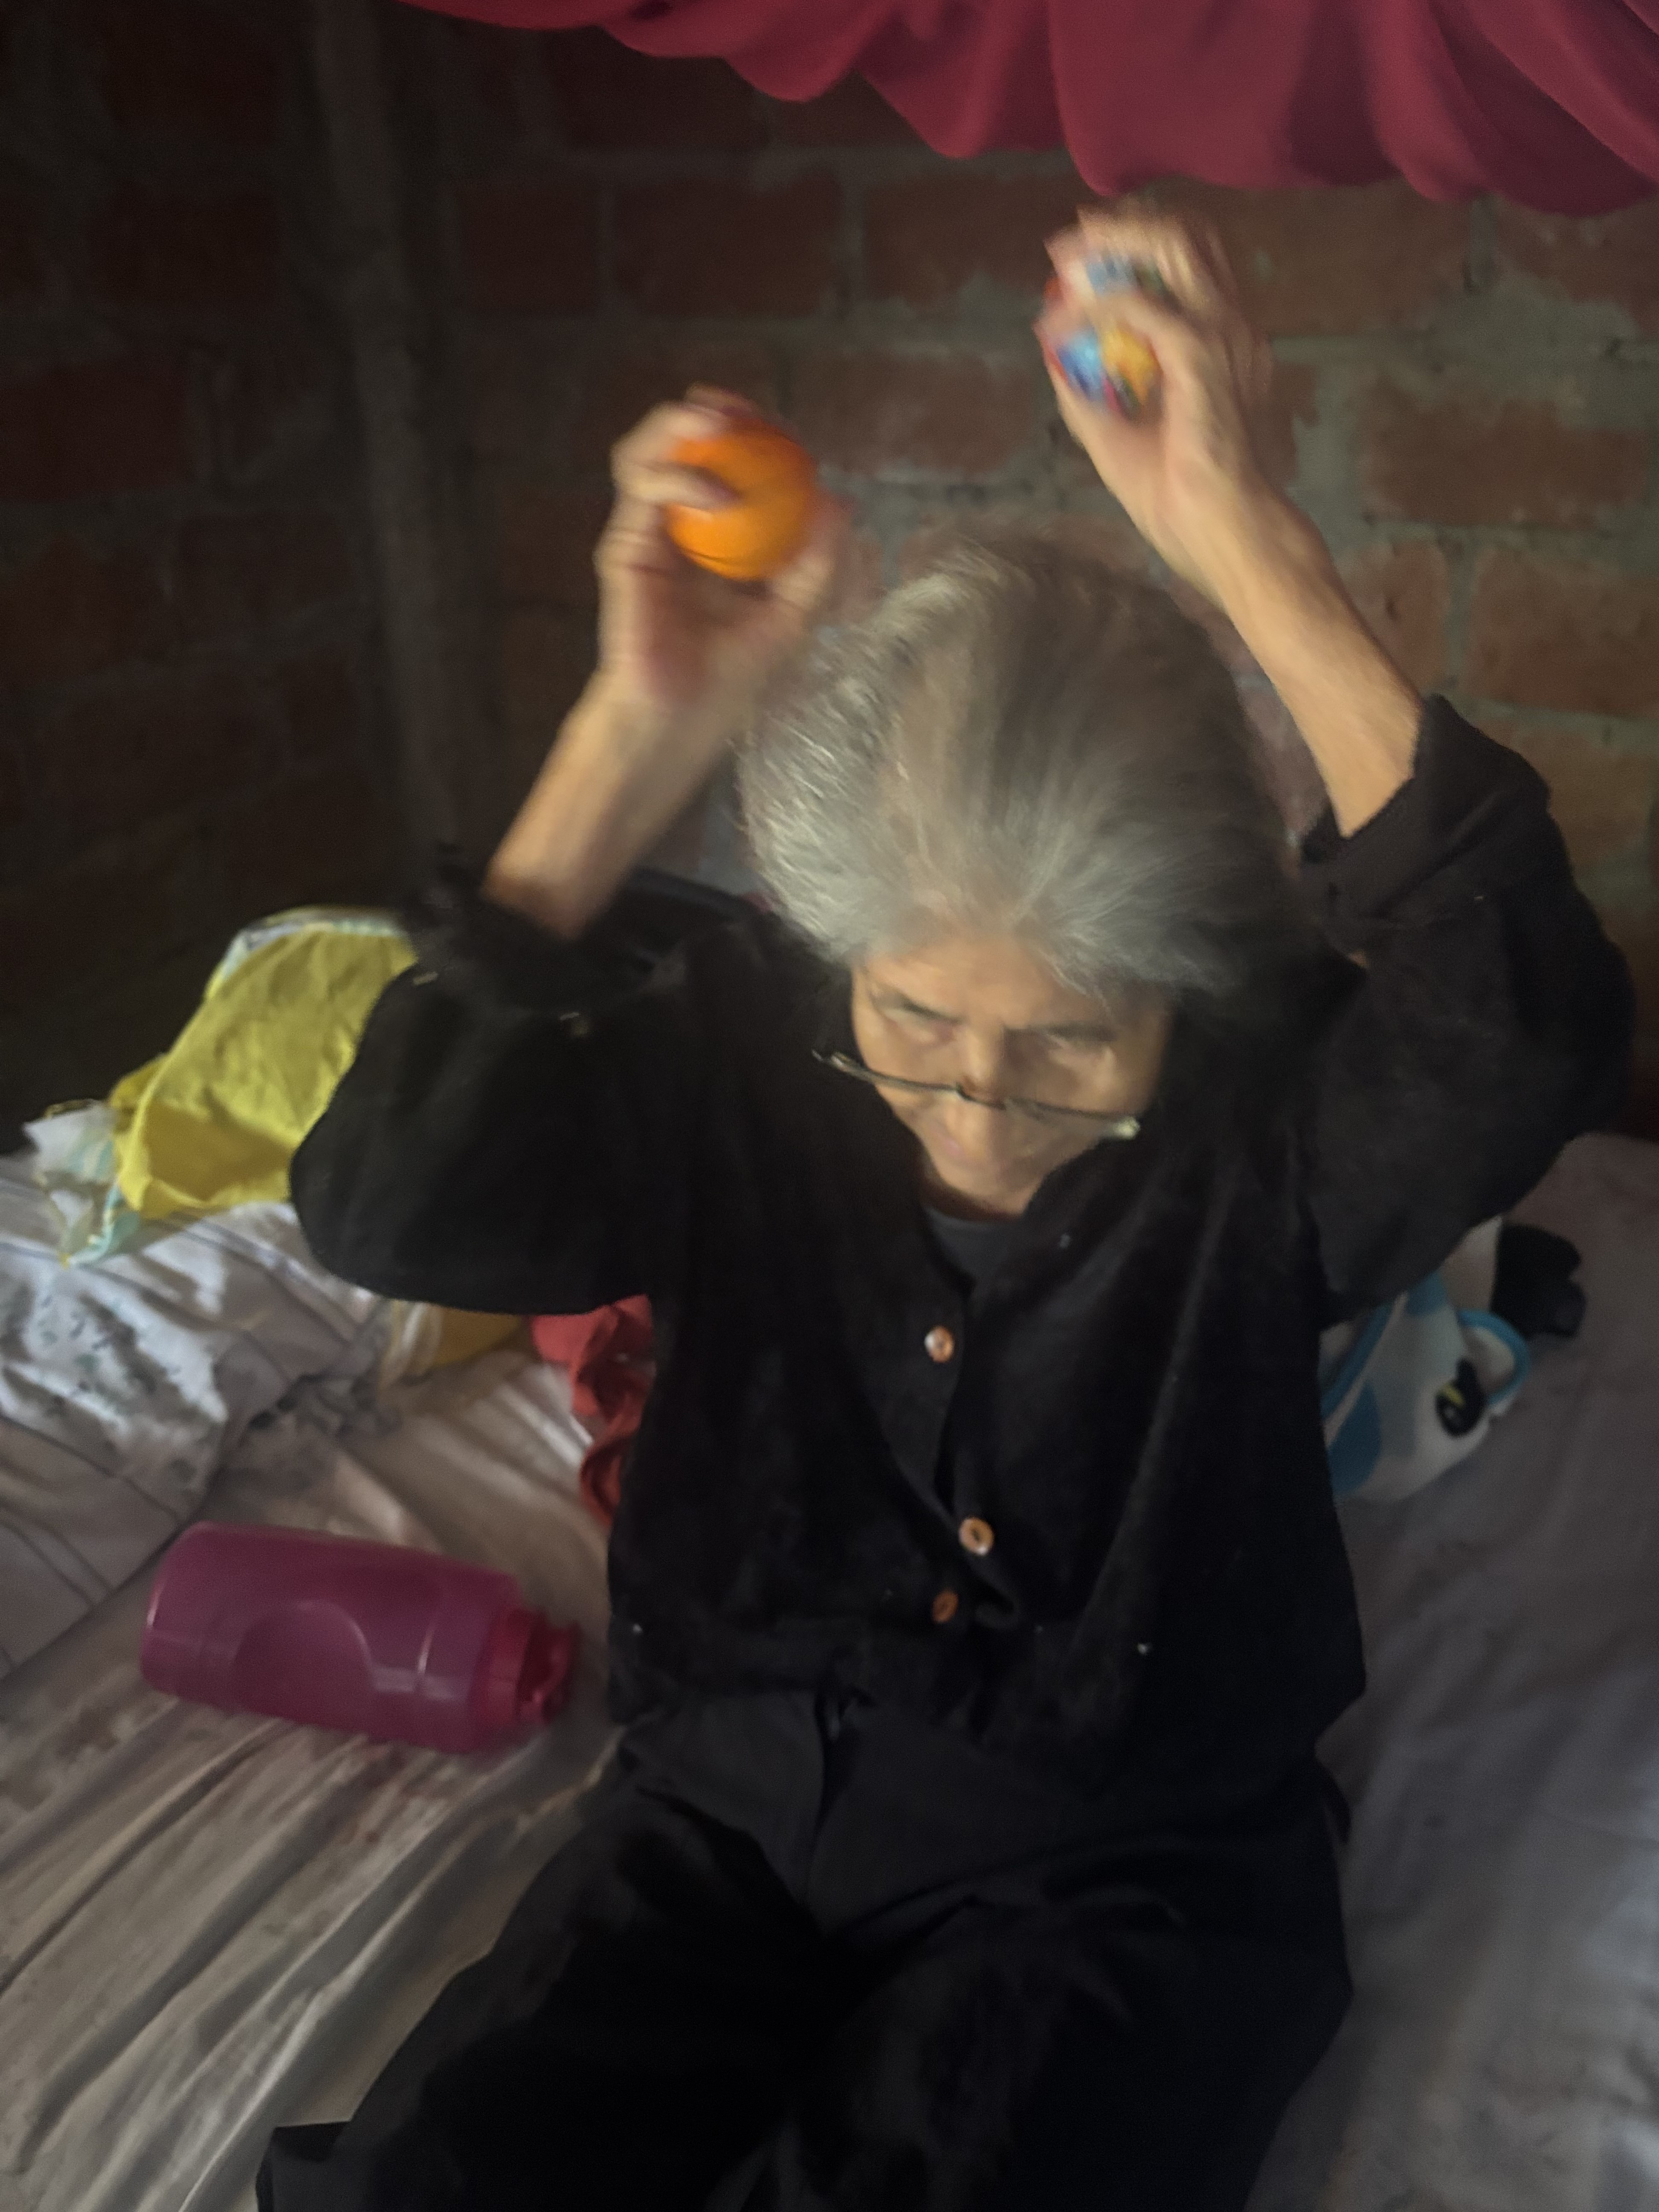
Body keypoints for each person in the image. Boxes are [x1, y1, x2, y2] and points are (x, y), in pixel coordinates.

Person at [258, 209, 1632, 2212]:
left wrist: (1242, 536)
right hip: (719, 1813)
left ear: (1196, 990)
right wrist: (633, 729)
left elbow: (1521, 1024)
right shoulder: (741, 1048)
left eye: (1069, 1041)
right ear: (828, 956)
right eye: (909, 1021)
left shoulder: (1265, 1127)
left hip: (1119, 1863)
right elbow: (390, 1204)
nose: (979, 1106)